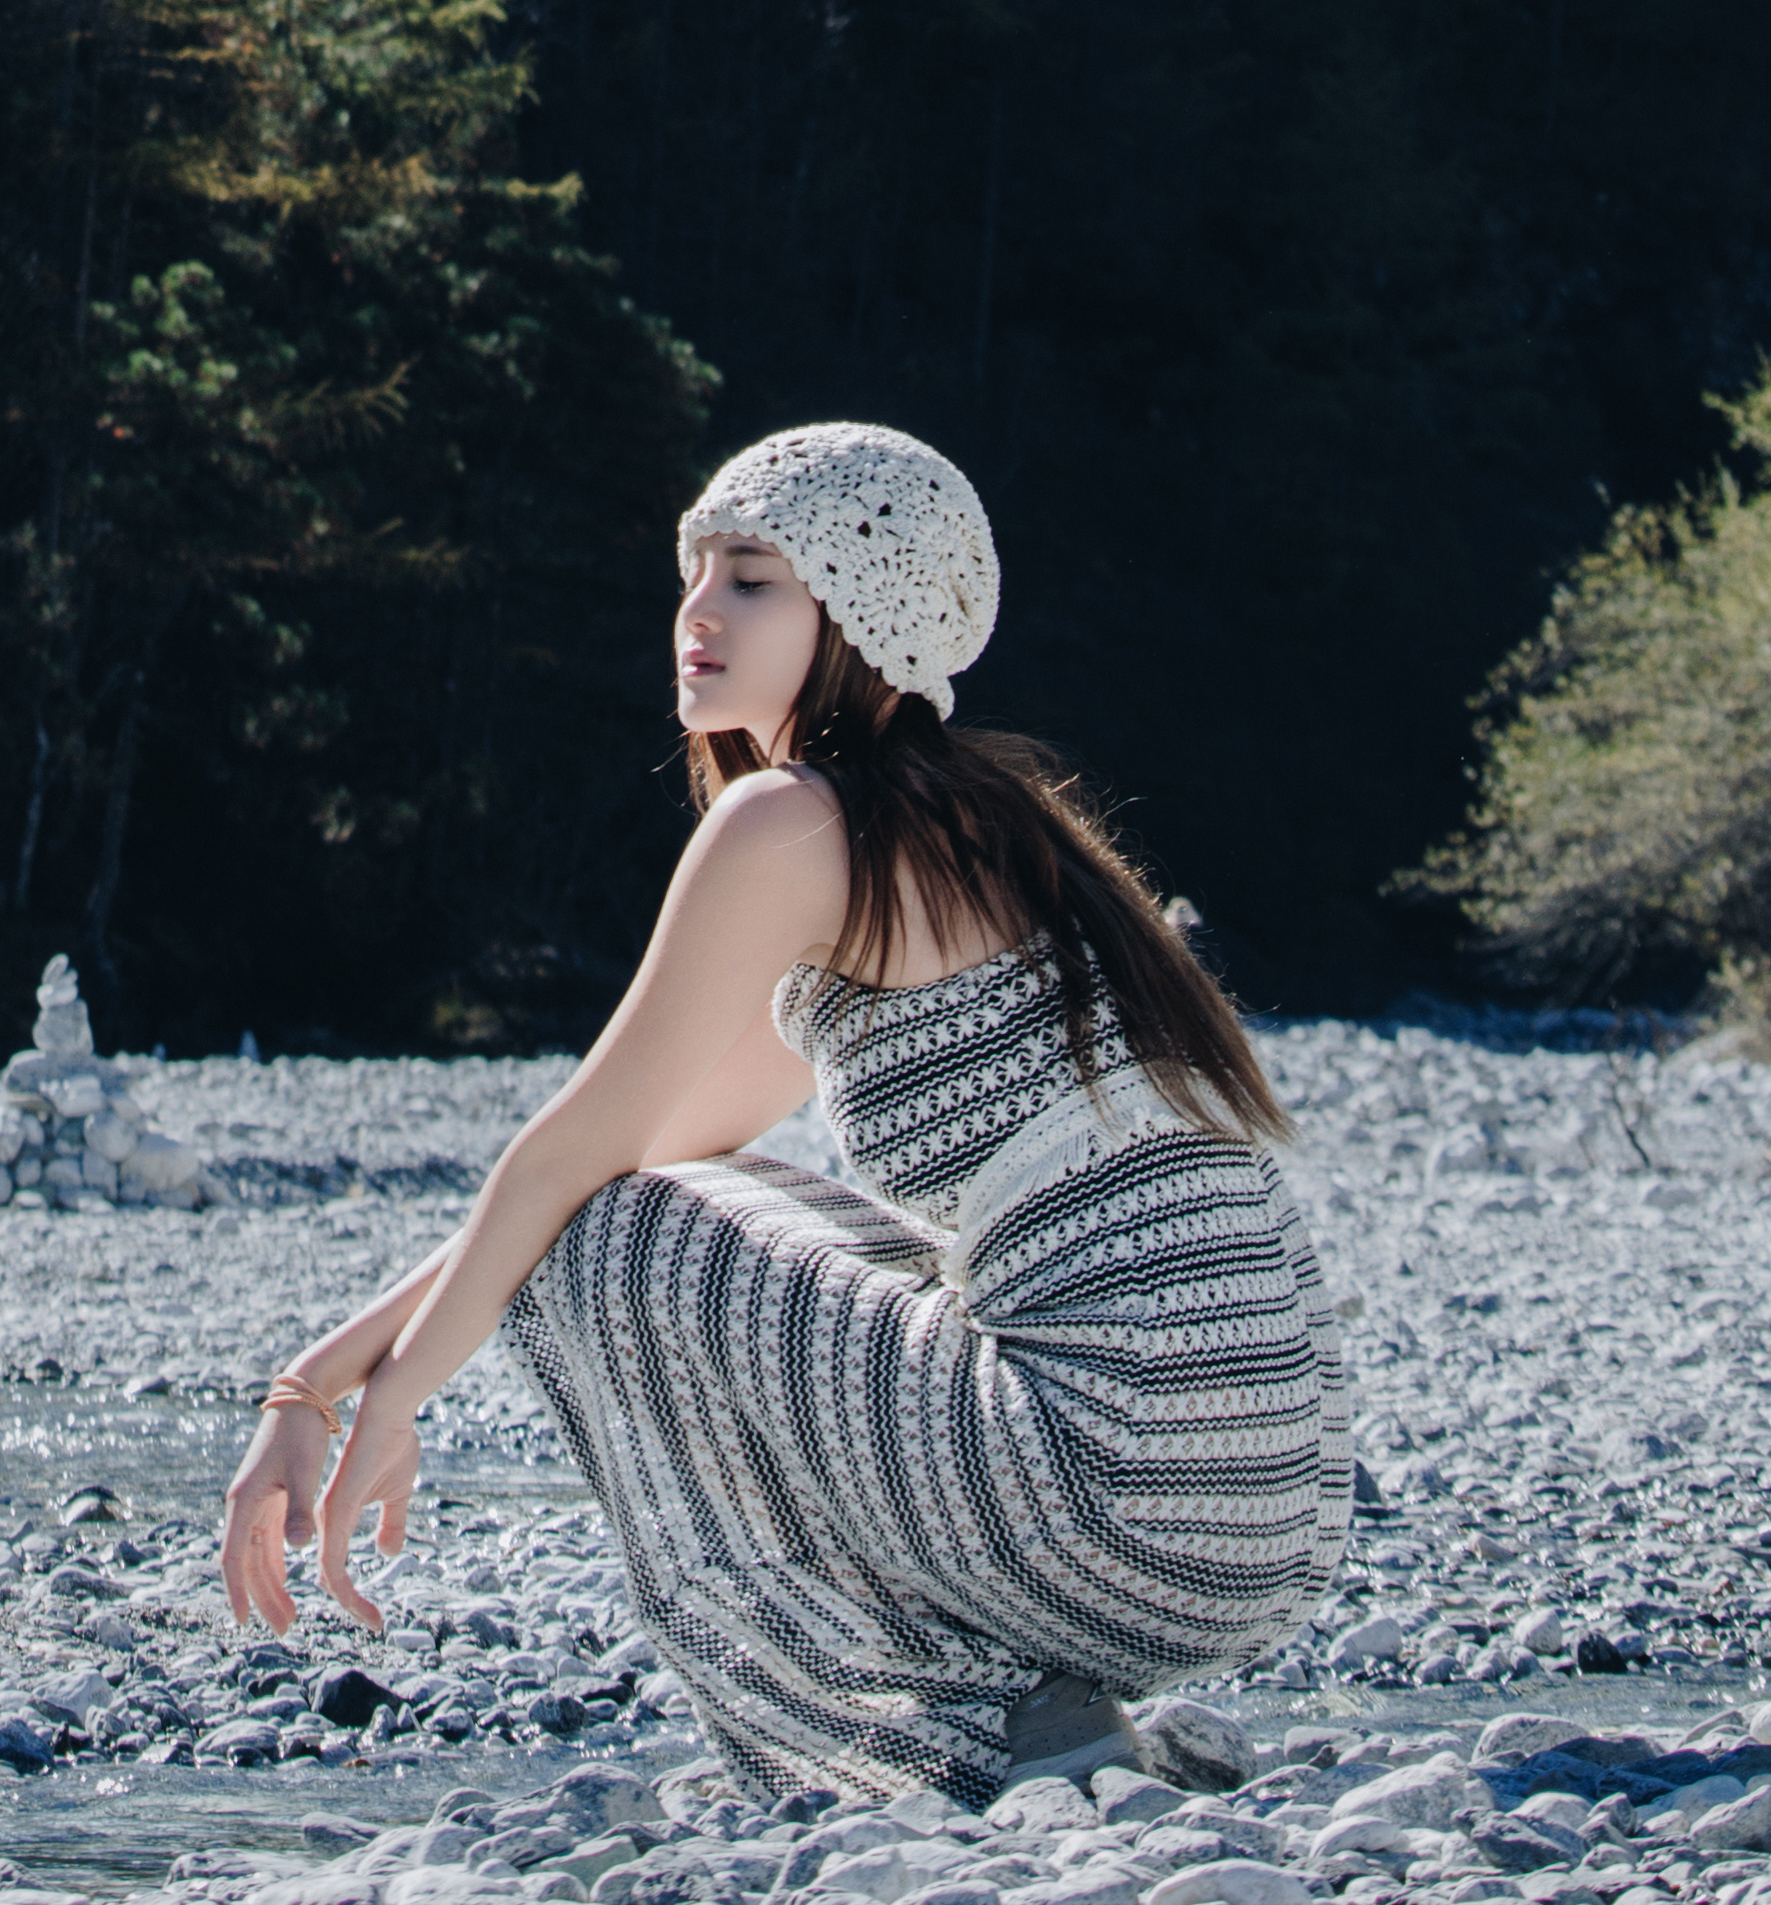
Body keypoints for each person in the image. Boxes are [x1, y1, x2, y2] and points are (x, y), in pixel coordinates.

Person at [216, 420, 1345, 1804]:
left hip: (1117, 1503)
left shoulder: (793, 826)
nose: (697, 612)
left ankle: (949, 1738)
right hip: (1262, 1528)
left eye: (753, 577)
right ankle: (1046, 1726)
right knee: (653, 1212)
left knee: (604, 1246)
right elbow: (648, 1152)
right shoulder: (993, 818)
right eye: (694, 570)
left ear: (858, 616)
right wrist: (314, 1380)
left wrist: (376, 1401)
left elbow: (575, 1164)